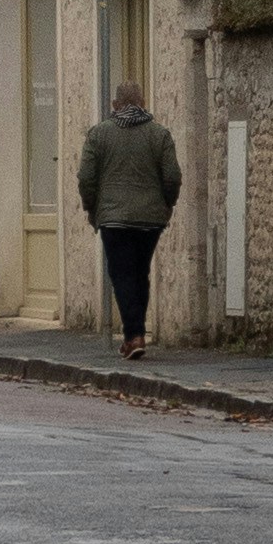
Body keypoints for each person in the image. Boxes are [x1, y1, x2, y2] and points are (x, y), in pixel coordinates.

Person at [76, 73, 182, 359]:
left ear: (115, 104)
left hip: (113, 219)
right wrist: (166, 205)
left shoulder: (98, 134)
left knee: (121, 274)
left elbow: (86, 178)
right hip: (150, 219)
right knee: (140, 273)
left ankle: (134, 336)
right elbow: (172, 177)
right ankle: (137, 334)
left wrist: (92, 209)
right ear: (143, 102)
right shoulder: (160, 134)